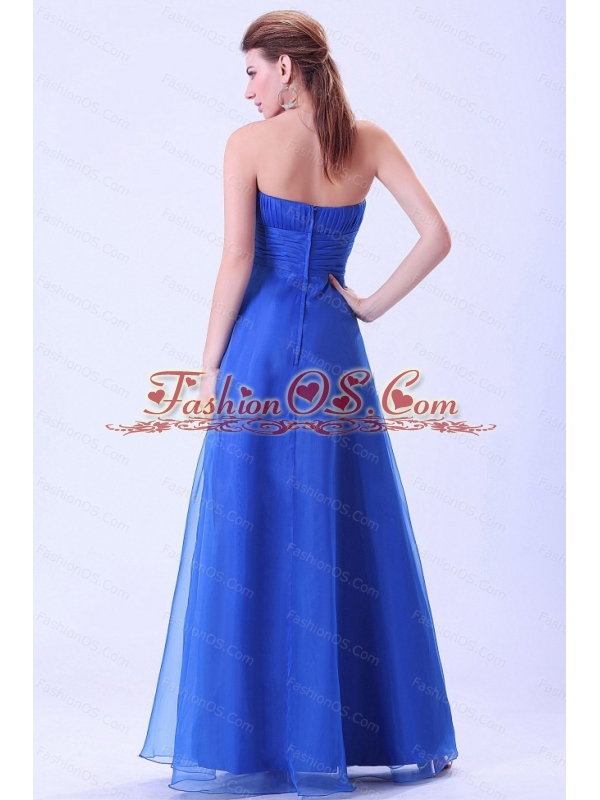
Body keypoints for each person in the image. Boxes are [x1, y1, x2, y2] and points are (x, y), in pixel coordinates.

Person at [140, 10, 458, 796]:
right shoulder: (368, 142)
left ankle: (251, 738)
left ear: (286, 66)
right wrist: (369, 305)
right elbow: (437, 234)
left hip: (259, 355)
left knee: (251, 528)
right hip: (334, 355)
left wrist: (208, 368)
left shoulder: (248, 145)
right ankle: (362, 733)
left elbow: (236, 260)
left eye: (252, 72)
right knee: (344, 525)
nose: (248, 91)